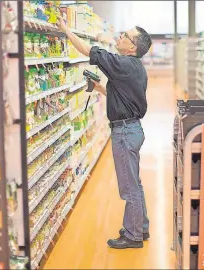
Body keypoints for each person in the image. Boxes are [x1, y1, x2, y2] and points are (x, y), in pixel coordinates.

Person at [57, 16, 152, 249]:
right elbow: (124, 99)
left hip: (124, 133)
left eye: (125, 36)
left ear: (133, 47)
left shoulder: (123, 64)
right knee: (135, 183)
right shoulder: (135, 68)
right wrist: (99, 87)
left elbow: (88, 50)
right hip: (133, 129)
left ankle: (133, 236)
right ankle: (141, 226)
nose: (120, 36)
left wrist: (65, 29)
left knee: (129, 187)